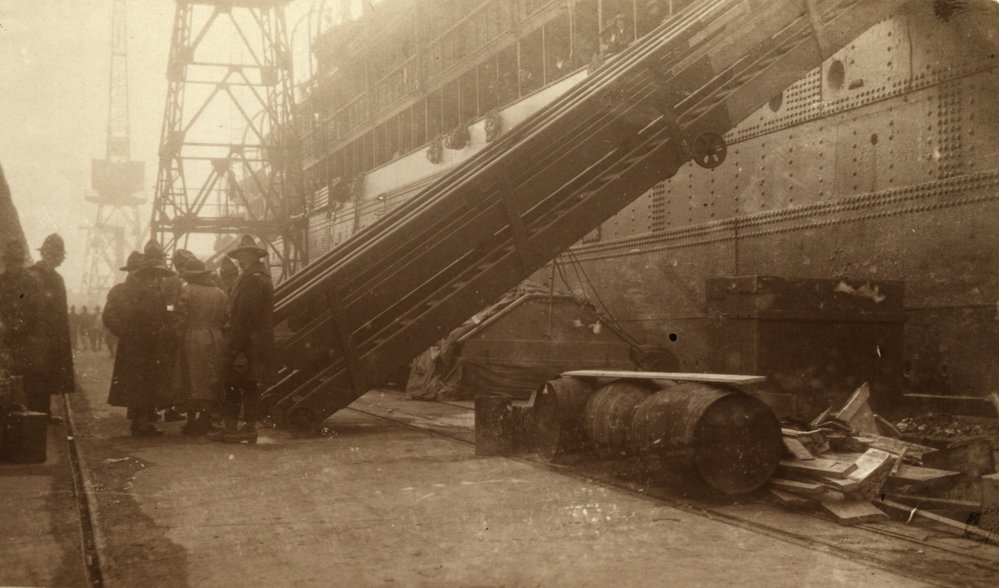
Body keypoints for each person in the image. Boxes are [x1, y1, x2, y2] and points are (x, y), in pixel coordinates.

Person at [210, 235, 275, 444]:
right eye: (240, 256)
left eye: (245, 255)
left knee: (236, 384)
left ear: (254, 256)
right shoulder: (257, 277)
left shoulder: (251, 280)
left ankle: (240, 427)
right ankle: (241, 427)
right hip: (253, 341)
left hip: (245, 342)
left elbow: (244, 316)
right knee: (247, 385)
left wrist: (234, 347)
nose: (241, 259)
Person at [104, 251, 175, 437]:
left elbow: (163, 316)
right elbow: (109, 316)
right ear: (130, 271)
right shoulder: (120, 291)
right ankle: (141, 422)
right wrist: (124, 333)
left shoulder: (153, 292)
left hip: (148, 344)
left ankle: (143, 419)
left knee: (146, 381)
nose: (138, 274)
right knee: (138, 382)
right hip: (135, 344)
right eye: (136, 270)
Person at [176, 257, 229, 435]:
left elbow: (181, 316)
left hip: (193, 337)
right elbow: (226, 317)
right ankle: (207, 417)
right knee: (211, 376)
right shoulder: (220, 293)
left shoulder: (187, 290)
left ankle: (192, 420)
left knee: (192, 377)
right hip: (216, 337)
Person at [24, 234, 74, 420]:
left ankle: (43, 412)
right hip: (38, 336)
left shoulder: (54, 278)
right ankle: (38, 414)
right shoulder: (33, 276)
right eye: (59, 254)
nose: (60, 259)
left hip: (49, 337)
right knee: (37, 377)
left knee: (45, 377)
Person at [0, 239, 42, 389]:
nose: (12, 265)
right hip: (4, 342)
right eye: (10, 260)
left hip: (27, 343)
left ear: (21, 261)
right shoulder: (1, 282)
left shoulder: (32, 282)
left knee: (26, 386)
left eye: (16, 261)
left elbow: (37, 313)